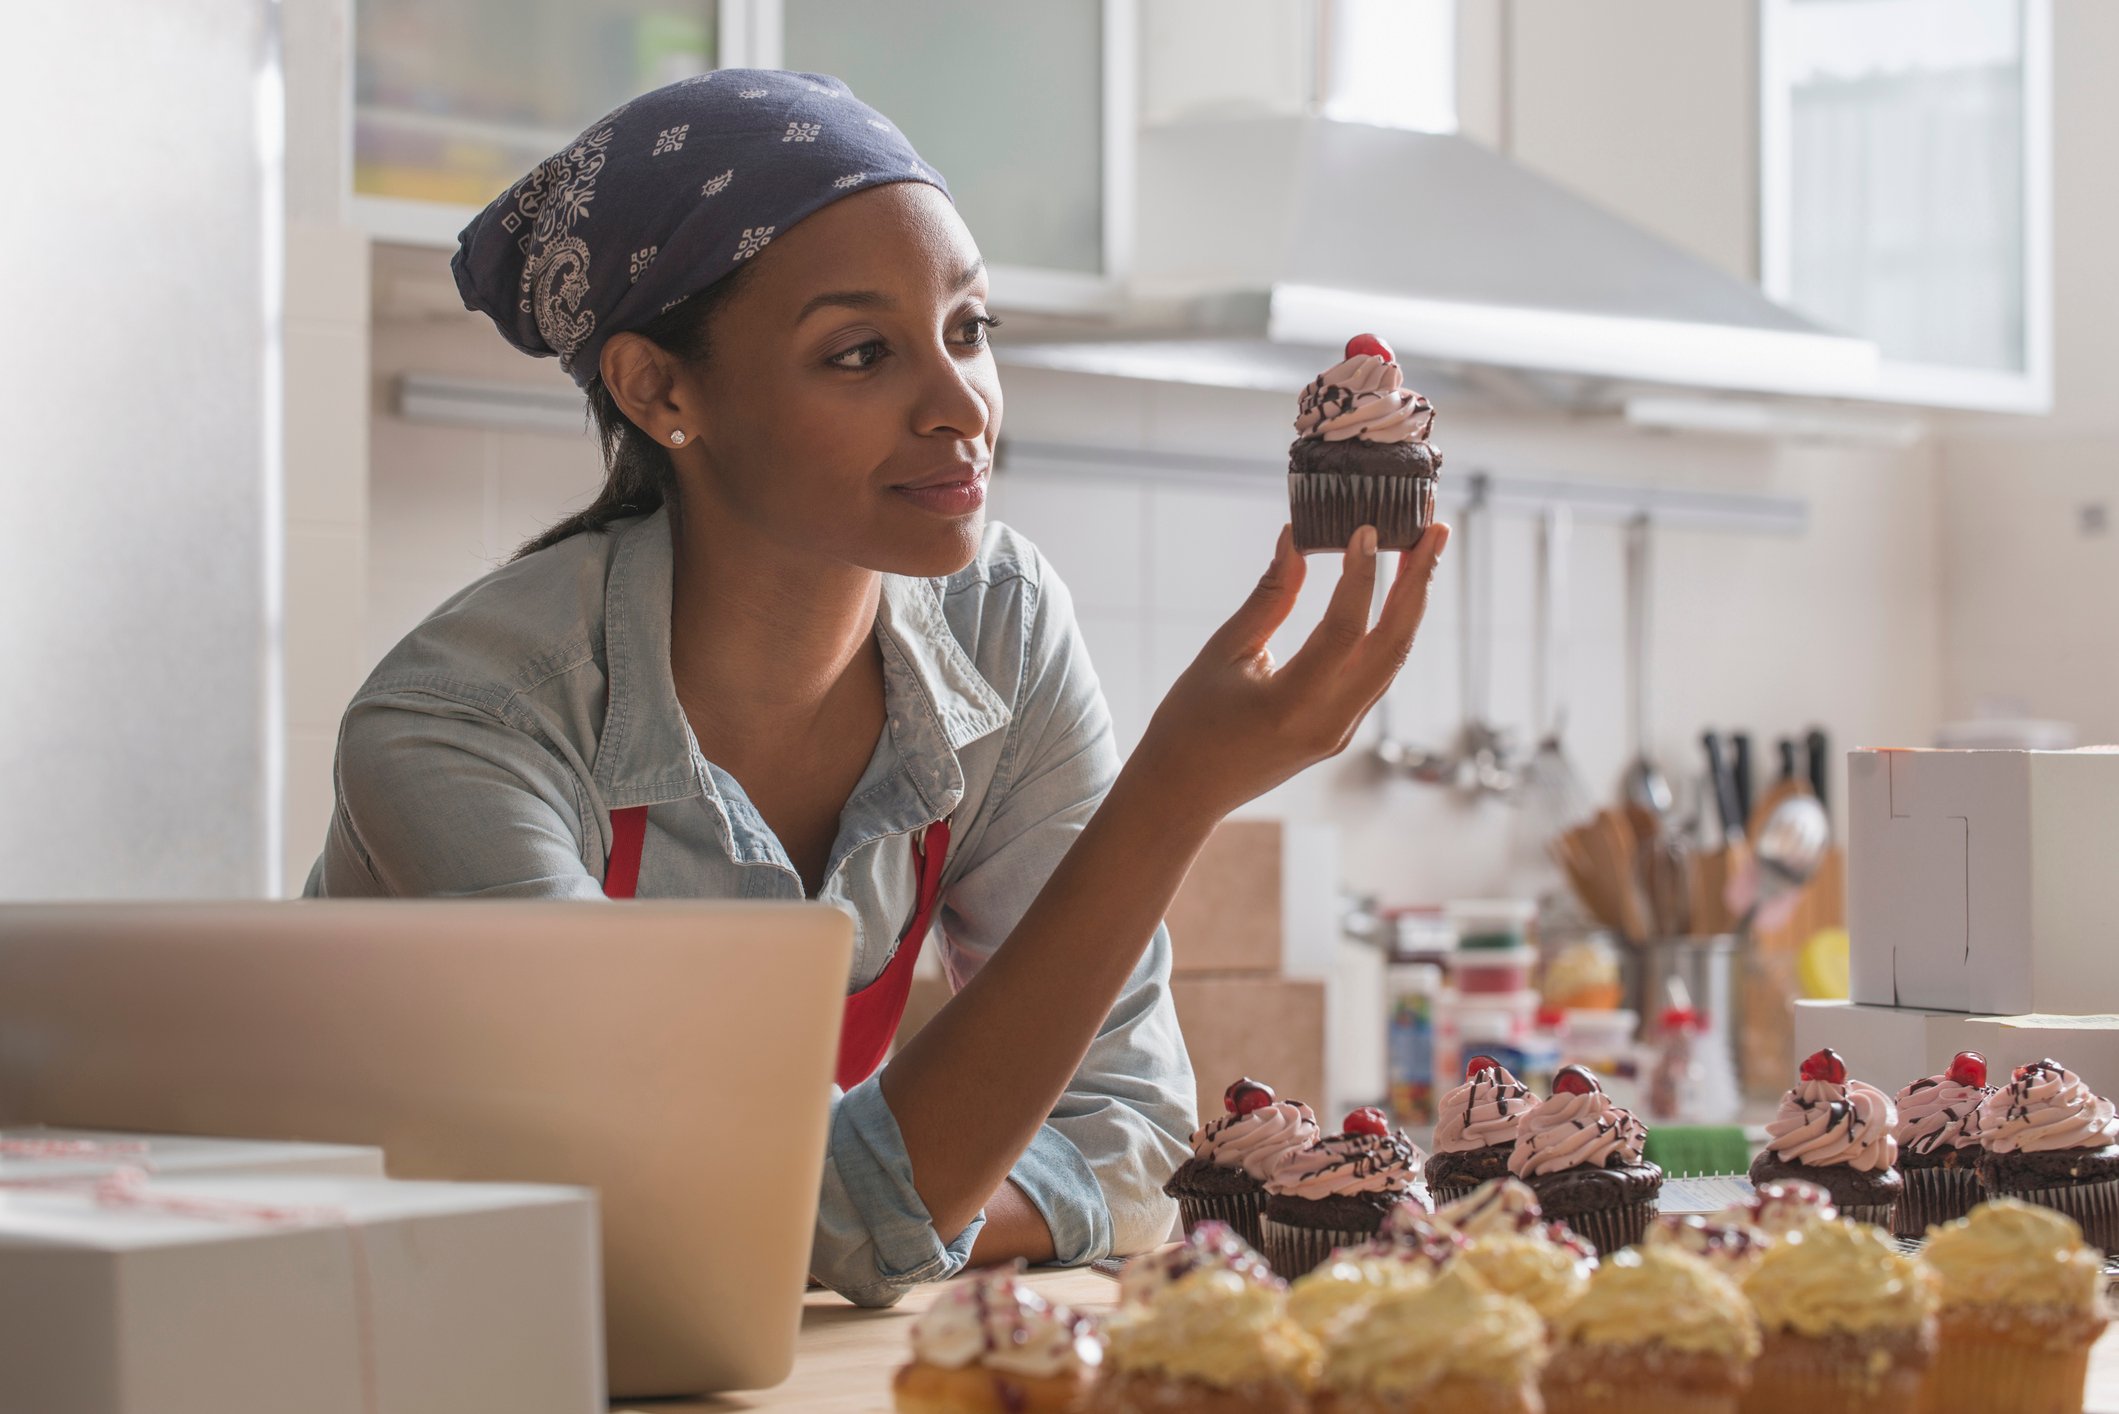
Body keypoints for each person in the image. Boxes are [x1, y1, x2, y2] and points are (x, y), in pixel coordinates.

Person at [306, 70, 1449, 1306]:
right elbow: (718, 1227)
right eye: (861, 353)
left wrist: (883, 1217)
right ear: (660, 391)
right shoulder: (464, 722)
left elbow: (1132, 1139)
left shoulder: (999, 626)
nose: (962, 407)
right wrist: (1171, 798)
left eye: (969, 329)